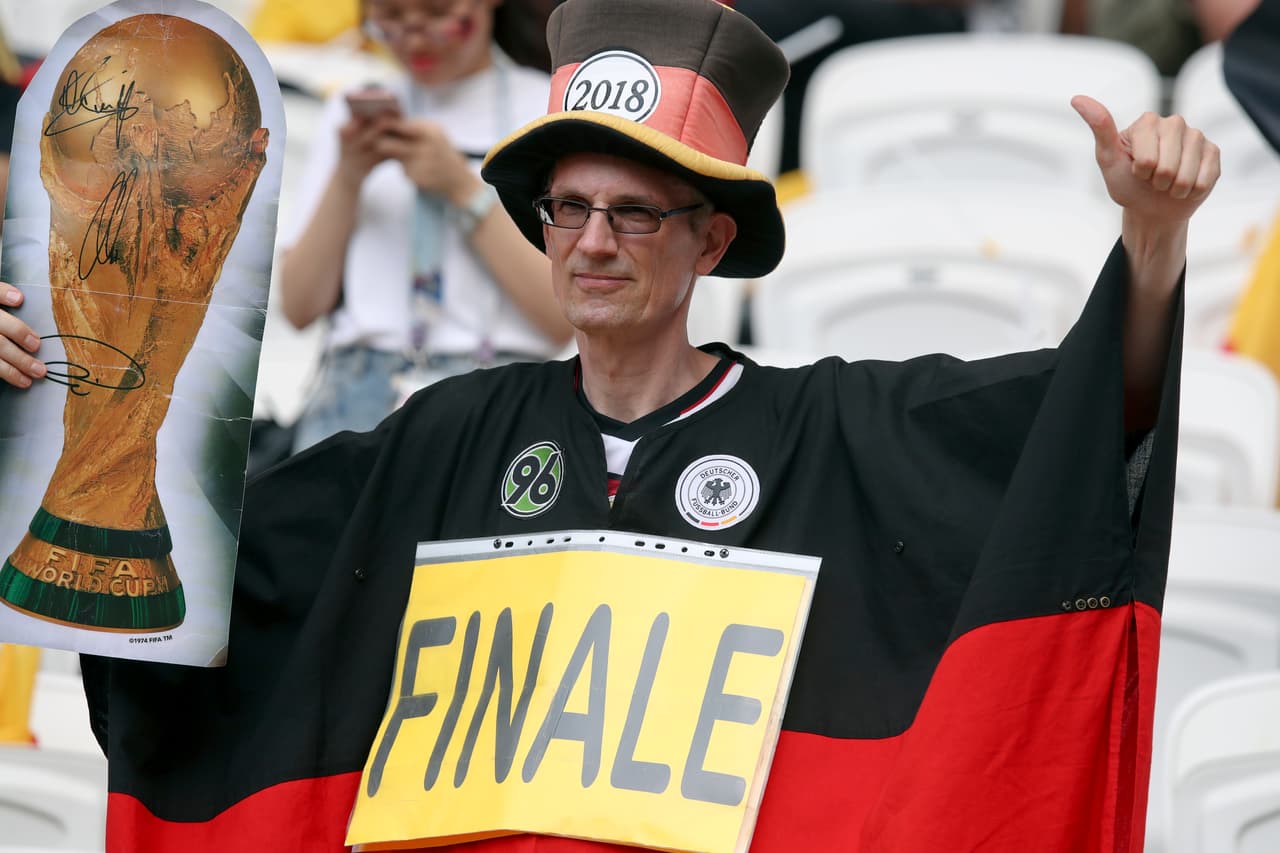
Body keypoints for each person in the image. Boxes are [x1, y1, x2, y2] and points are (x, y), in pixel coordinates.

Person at [1, 0, 1219, 848]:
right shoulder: (442, 440)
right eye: (566, 207)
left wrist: (1152, 237)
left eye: (634, 213)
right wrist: (30, 388)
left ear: (711, 239)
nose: (590, 242)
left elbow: (1078, 433)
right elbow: (178, 576)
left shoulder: (831, 429)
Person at [276, 0, 571, 451]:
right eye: (391, 17)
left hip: (497, 393)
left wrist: (463, 191)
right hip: (357, 396)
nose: (414, 38)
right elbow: (299, 307)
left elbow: (563, 317)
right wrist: (349, 177)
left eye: (436, 13)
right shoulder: (348, 109)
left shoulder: (547, 108)